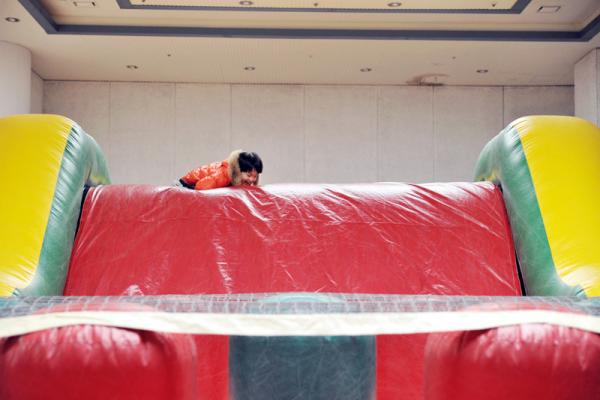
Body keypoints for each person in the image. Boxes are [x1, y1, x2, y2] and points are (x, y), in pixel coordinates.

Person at [178, 150, 263, 190]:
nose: (252, 179)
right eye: (248, 175)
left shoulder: (239, 179)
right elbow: (200, 187)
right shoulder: (224, 175)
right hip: (185, 185)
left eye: (255, 176)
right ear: (239, 171)